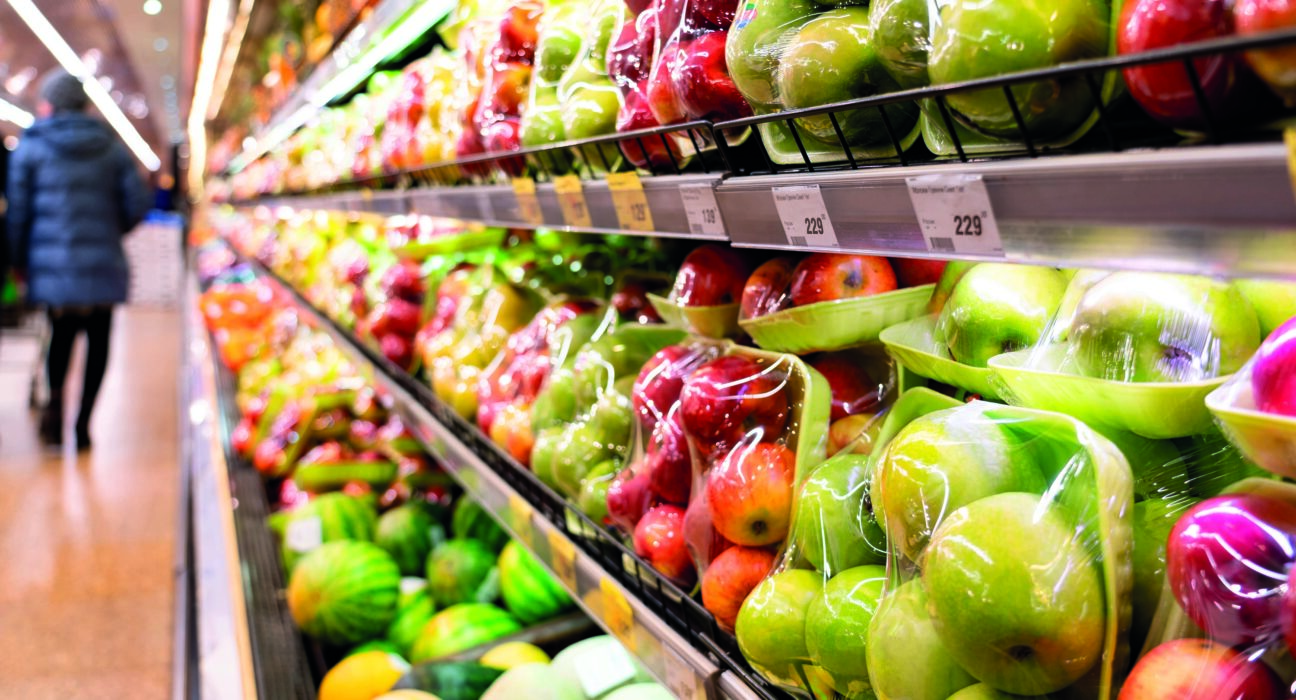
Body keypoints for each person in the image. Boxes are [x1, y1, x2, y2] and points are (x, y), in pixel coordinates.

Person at [6, 69, 148, 450]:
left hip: (54, 267)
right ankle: (84, 425)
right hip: (103, 264)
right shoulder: (110, 146)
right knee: (99, 342)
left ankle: (54, 414)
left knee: (60, 337)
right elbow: (137, 204)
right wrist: (110, 230)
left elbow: (17, 213)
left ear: (50, 105)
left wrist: (18, 262)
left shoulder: (31, 147)